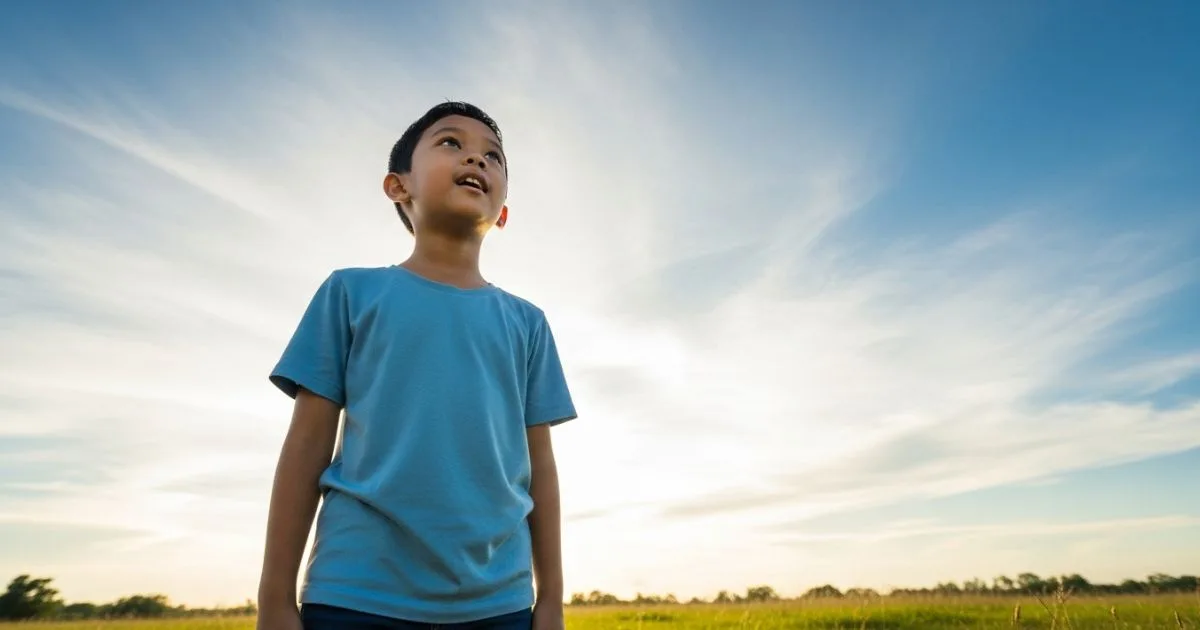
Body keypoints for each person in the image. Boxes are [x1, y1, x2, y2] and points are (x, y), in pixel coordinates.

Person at [255, 102, 577, 630]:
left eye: (493, 156)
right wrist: (274, 600)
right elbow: (307, 445)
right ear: (397, 186)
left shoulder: (528, 322)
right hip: (354, 595)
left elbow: (539, 468)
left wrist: (551, 601)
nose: (477, 158)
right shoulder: (350, 293)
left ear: (502, 213)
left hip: (500, 602)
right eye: (451, 143)